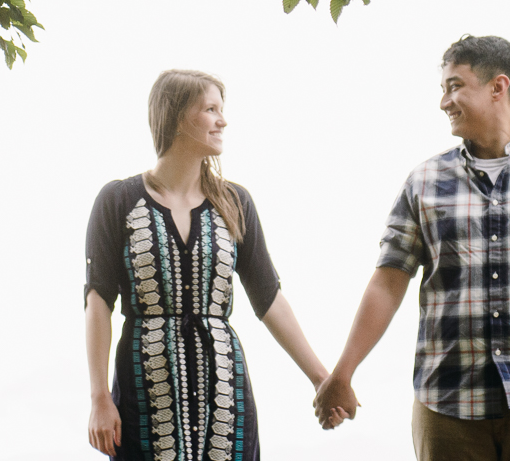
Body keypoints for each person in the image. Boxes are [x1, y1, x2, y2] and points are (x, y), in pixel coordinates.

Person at [314, 35, 510, 459]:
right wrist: (343, 371)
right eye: (442, 89)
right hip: (447, 408)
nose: (444, 101)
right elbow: (387, 282)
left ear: (498, 87)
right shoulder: (423, 182)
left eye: (455, 86)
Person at [84, 69, 330, 460]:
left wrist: (322, 379)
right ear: (178, 116)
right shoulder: (118, 200)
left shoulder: (235, 203)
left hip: (224, 396)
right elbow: (98, 301)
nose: (223, 120)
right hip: (144, 393)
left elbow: (269, 298)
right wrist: (99, 397)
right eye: (211, 109)